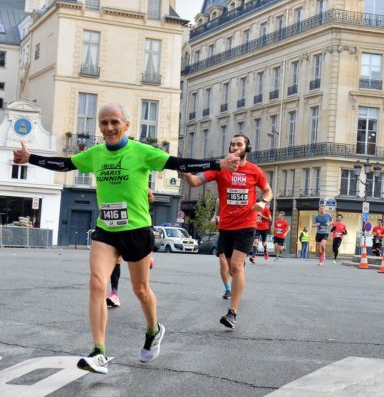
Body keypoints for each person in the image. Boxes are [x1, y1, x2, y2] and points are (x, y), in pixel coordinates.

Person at [13, 103, 240, 374]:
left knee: (141, 290)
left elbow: (177, 164)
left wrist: (217, 164)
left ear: (126, 125)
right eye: (104, 123)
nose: (108, 128)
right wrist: (31, 158)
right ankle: (98, 351)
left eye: (114, 122)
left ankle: (154, 329)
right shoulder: (95, 154)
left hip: (137, 230)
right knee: (97, 283)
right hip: (106, 230)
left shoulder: (141, 152)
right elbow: (64, 164)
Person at [181, 133, 272, 330]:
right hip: (226, 226)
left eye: (239, 144)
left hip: (247, 225)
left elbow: (267, 191)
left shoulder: (255, 171)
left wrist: (262, 203)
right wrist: (185, 172)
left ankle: (232, 313)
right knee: (231, 268)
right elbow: (195, 182)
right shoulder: (221, 168)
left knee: (237, 267)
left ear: (247, 147)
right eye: (232, 145)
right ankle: (238, 278)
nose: (234, 148)